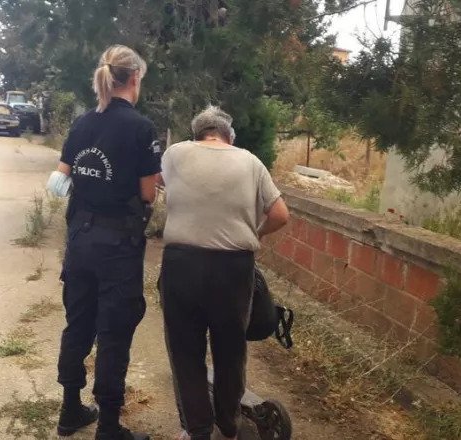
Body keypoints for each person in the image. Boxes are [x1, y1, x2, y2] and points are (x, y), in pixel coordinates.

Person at [49, 45, 161, 440]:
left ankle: (70, 410)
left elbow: (60, 179)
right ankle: (109, 426)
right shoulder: (141, 128)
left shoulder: (82, 123)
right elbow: (147, 194)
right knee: (114, 331)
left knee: (78, 322)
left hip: (80, 238)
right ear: (135, 78)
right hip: (117, 245)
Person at [159, 106, 289, 440]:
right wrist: (255, 232)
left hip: (182, 265)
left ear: (197, 135)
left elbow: (158, 186)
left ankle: (198, 431)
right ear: (229, 135)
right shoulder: (250, 161)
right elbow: (280, 214)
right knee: (231, 351)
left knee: (185, 351)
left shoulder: (175, 154)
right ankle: (229, 426)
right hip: (233, 268)